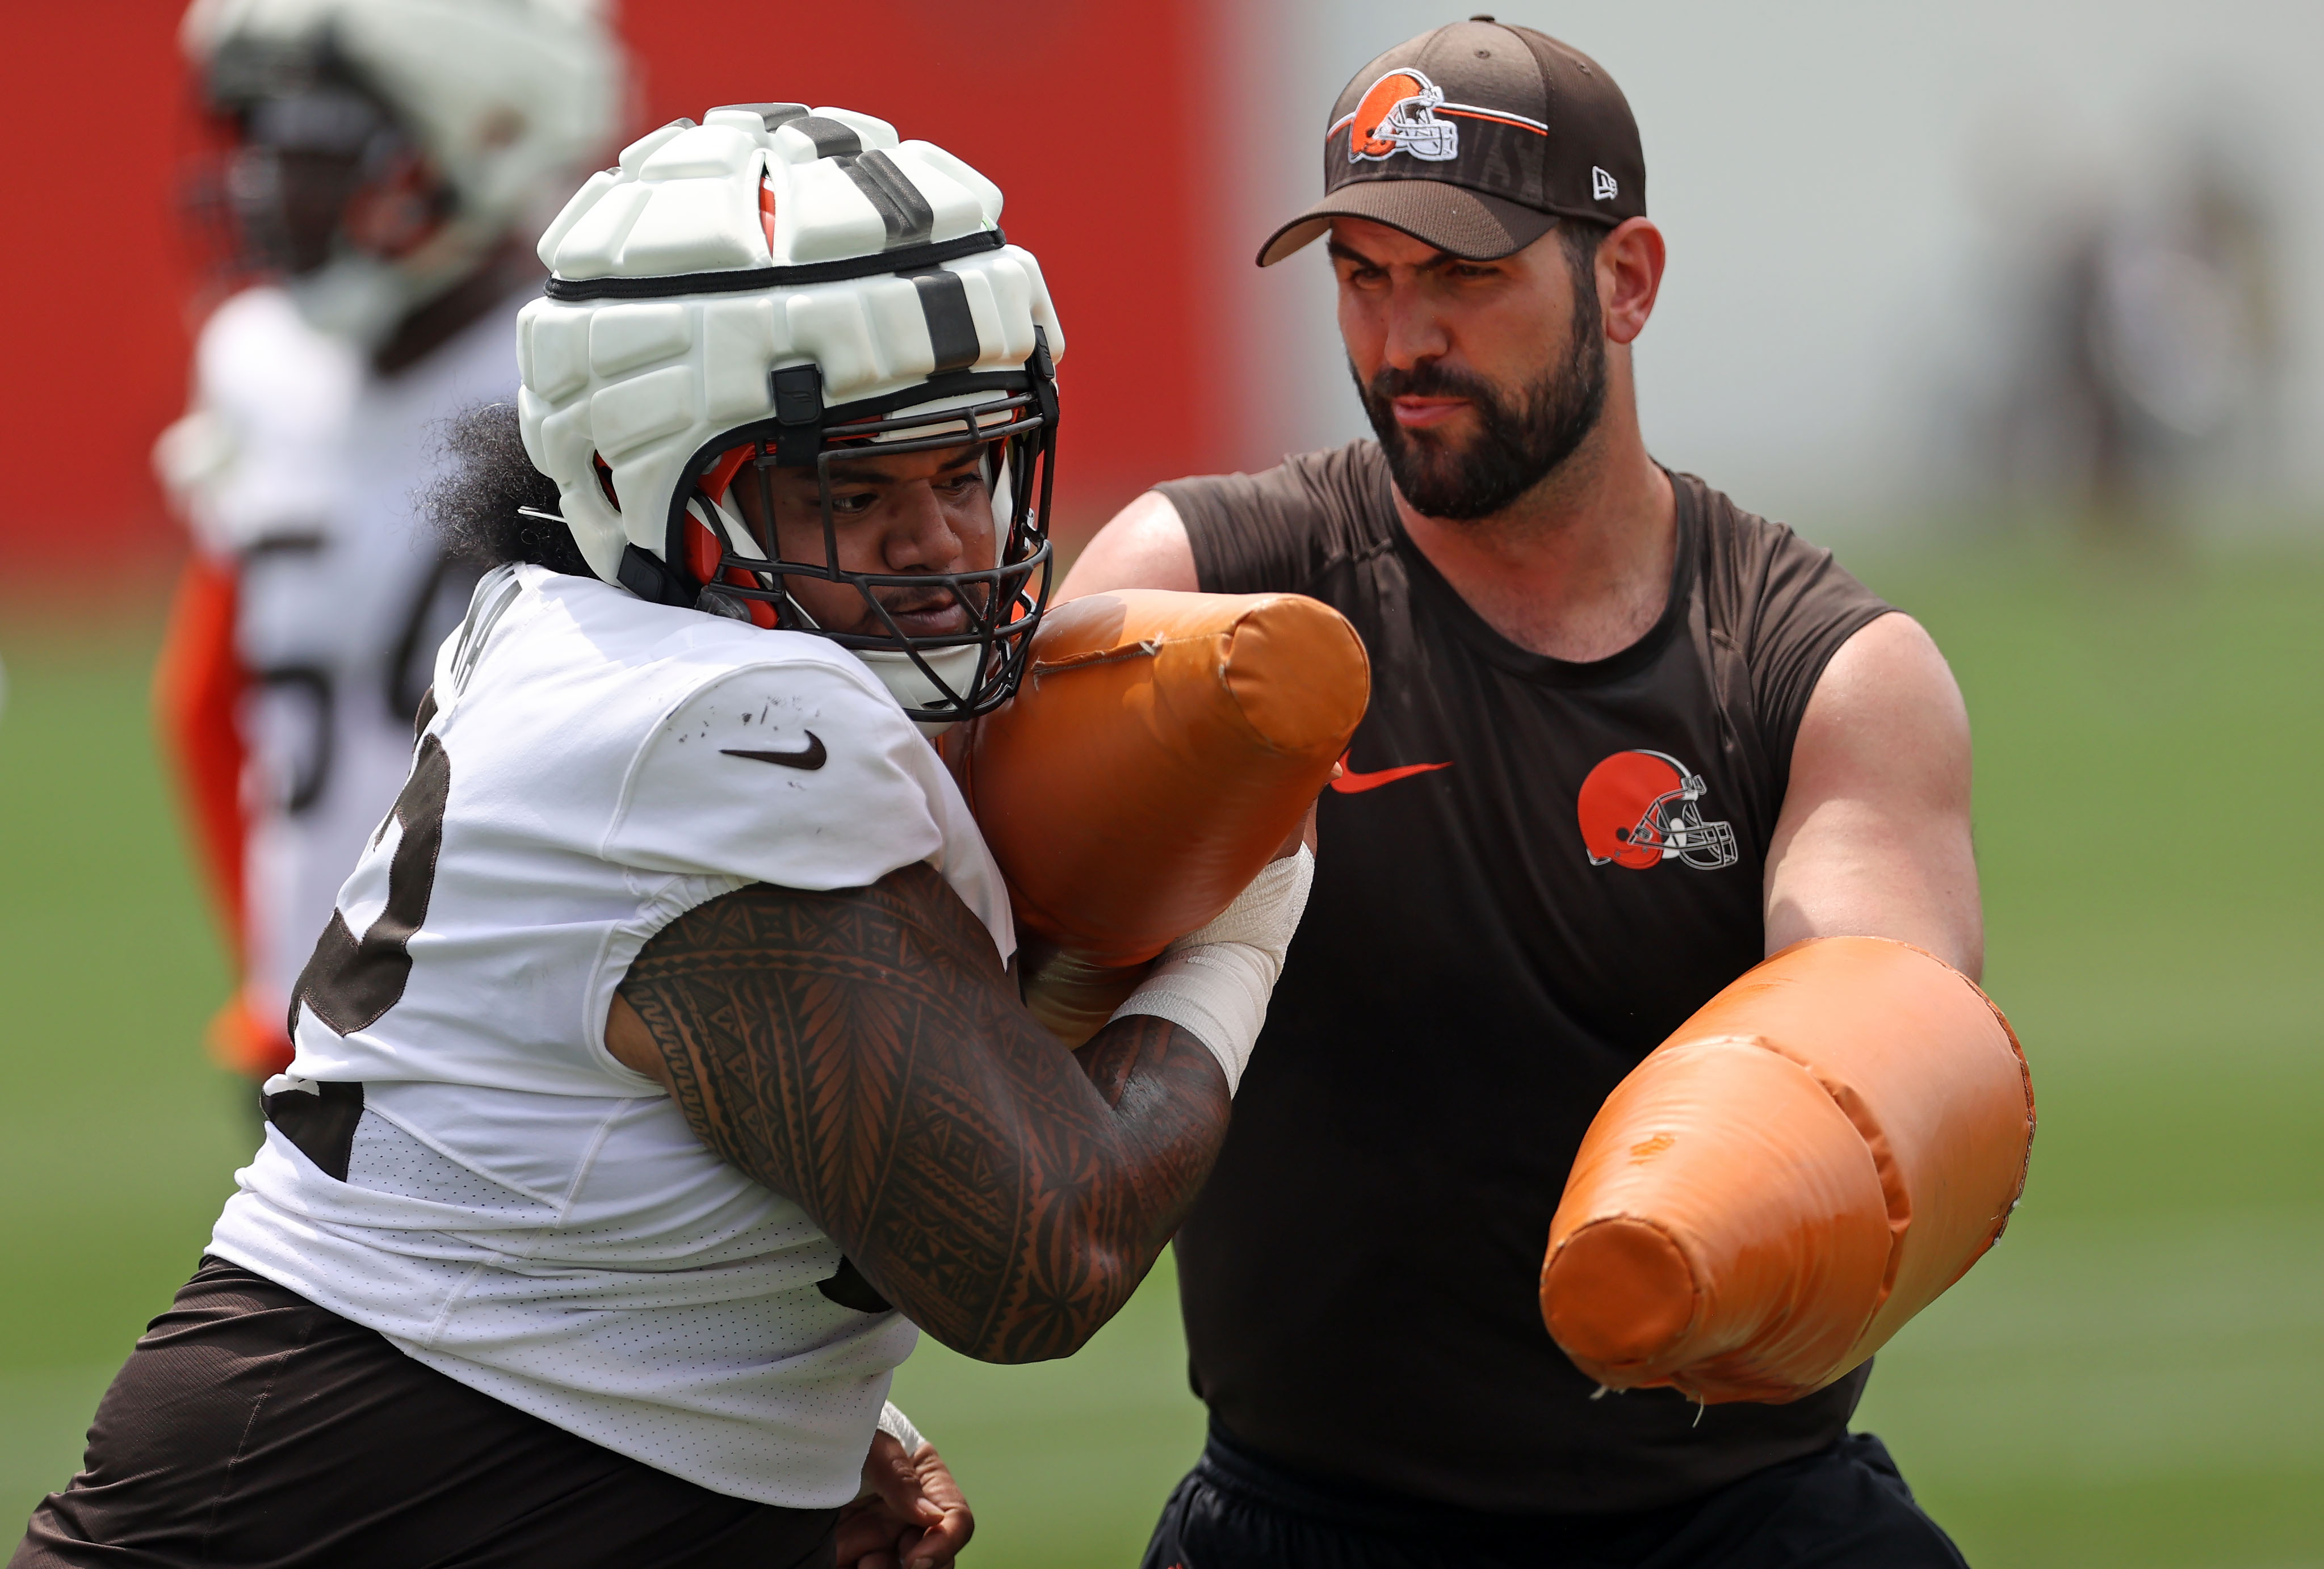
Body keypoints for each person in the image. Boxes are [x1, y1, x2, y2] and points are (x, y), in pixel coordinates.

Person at [19, 106, 1311, 1569]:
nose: (944, 546)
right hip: (345, 1498)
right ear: (651, 486)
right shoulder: (732, 723)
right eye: (850, 490)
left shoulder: (575, 634)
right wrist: (1242, 915)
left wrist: (775, 1410)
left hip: (450, 1457)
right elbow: (1041, 1258)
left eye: (966, 471)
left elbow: (593, 1135)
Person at [1065, 19, 1981, 1568]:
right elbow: (969, 998)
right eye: (1361, 275)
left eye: (1462, 274)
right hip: (1308, 1522)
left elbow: (1892, 1055)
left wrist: (1729, 1204)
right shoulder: (1201, 592)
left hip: (1739, 1520)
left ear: (1623, 280)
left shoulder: (1819, 669)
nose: (1398, 338)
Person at [152, 0, 624, 1083]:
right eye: (259, 143)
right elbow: (210, 697)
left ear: (481, 136)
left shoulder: (577, 370)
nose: (271, 188)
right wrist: (271, 978)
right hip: (312, 1022)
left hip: (531, 1021)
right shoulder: (255, 363)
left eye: (317, 146)